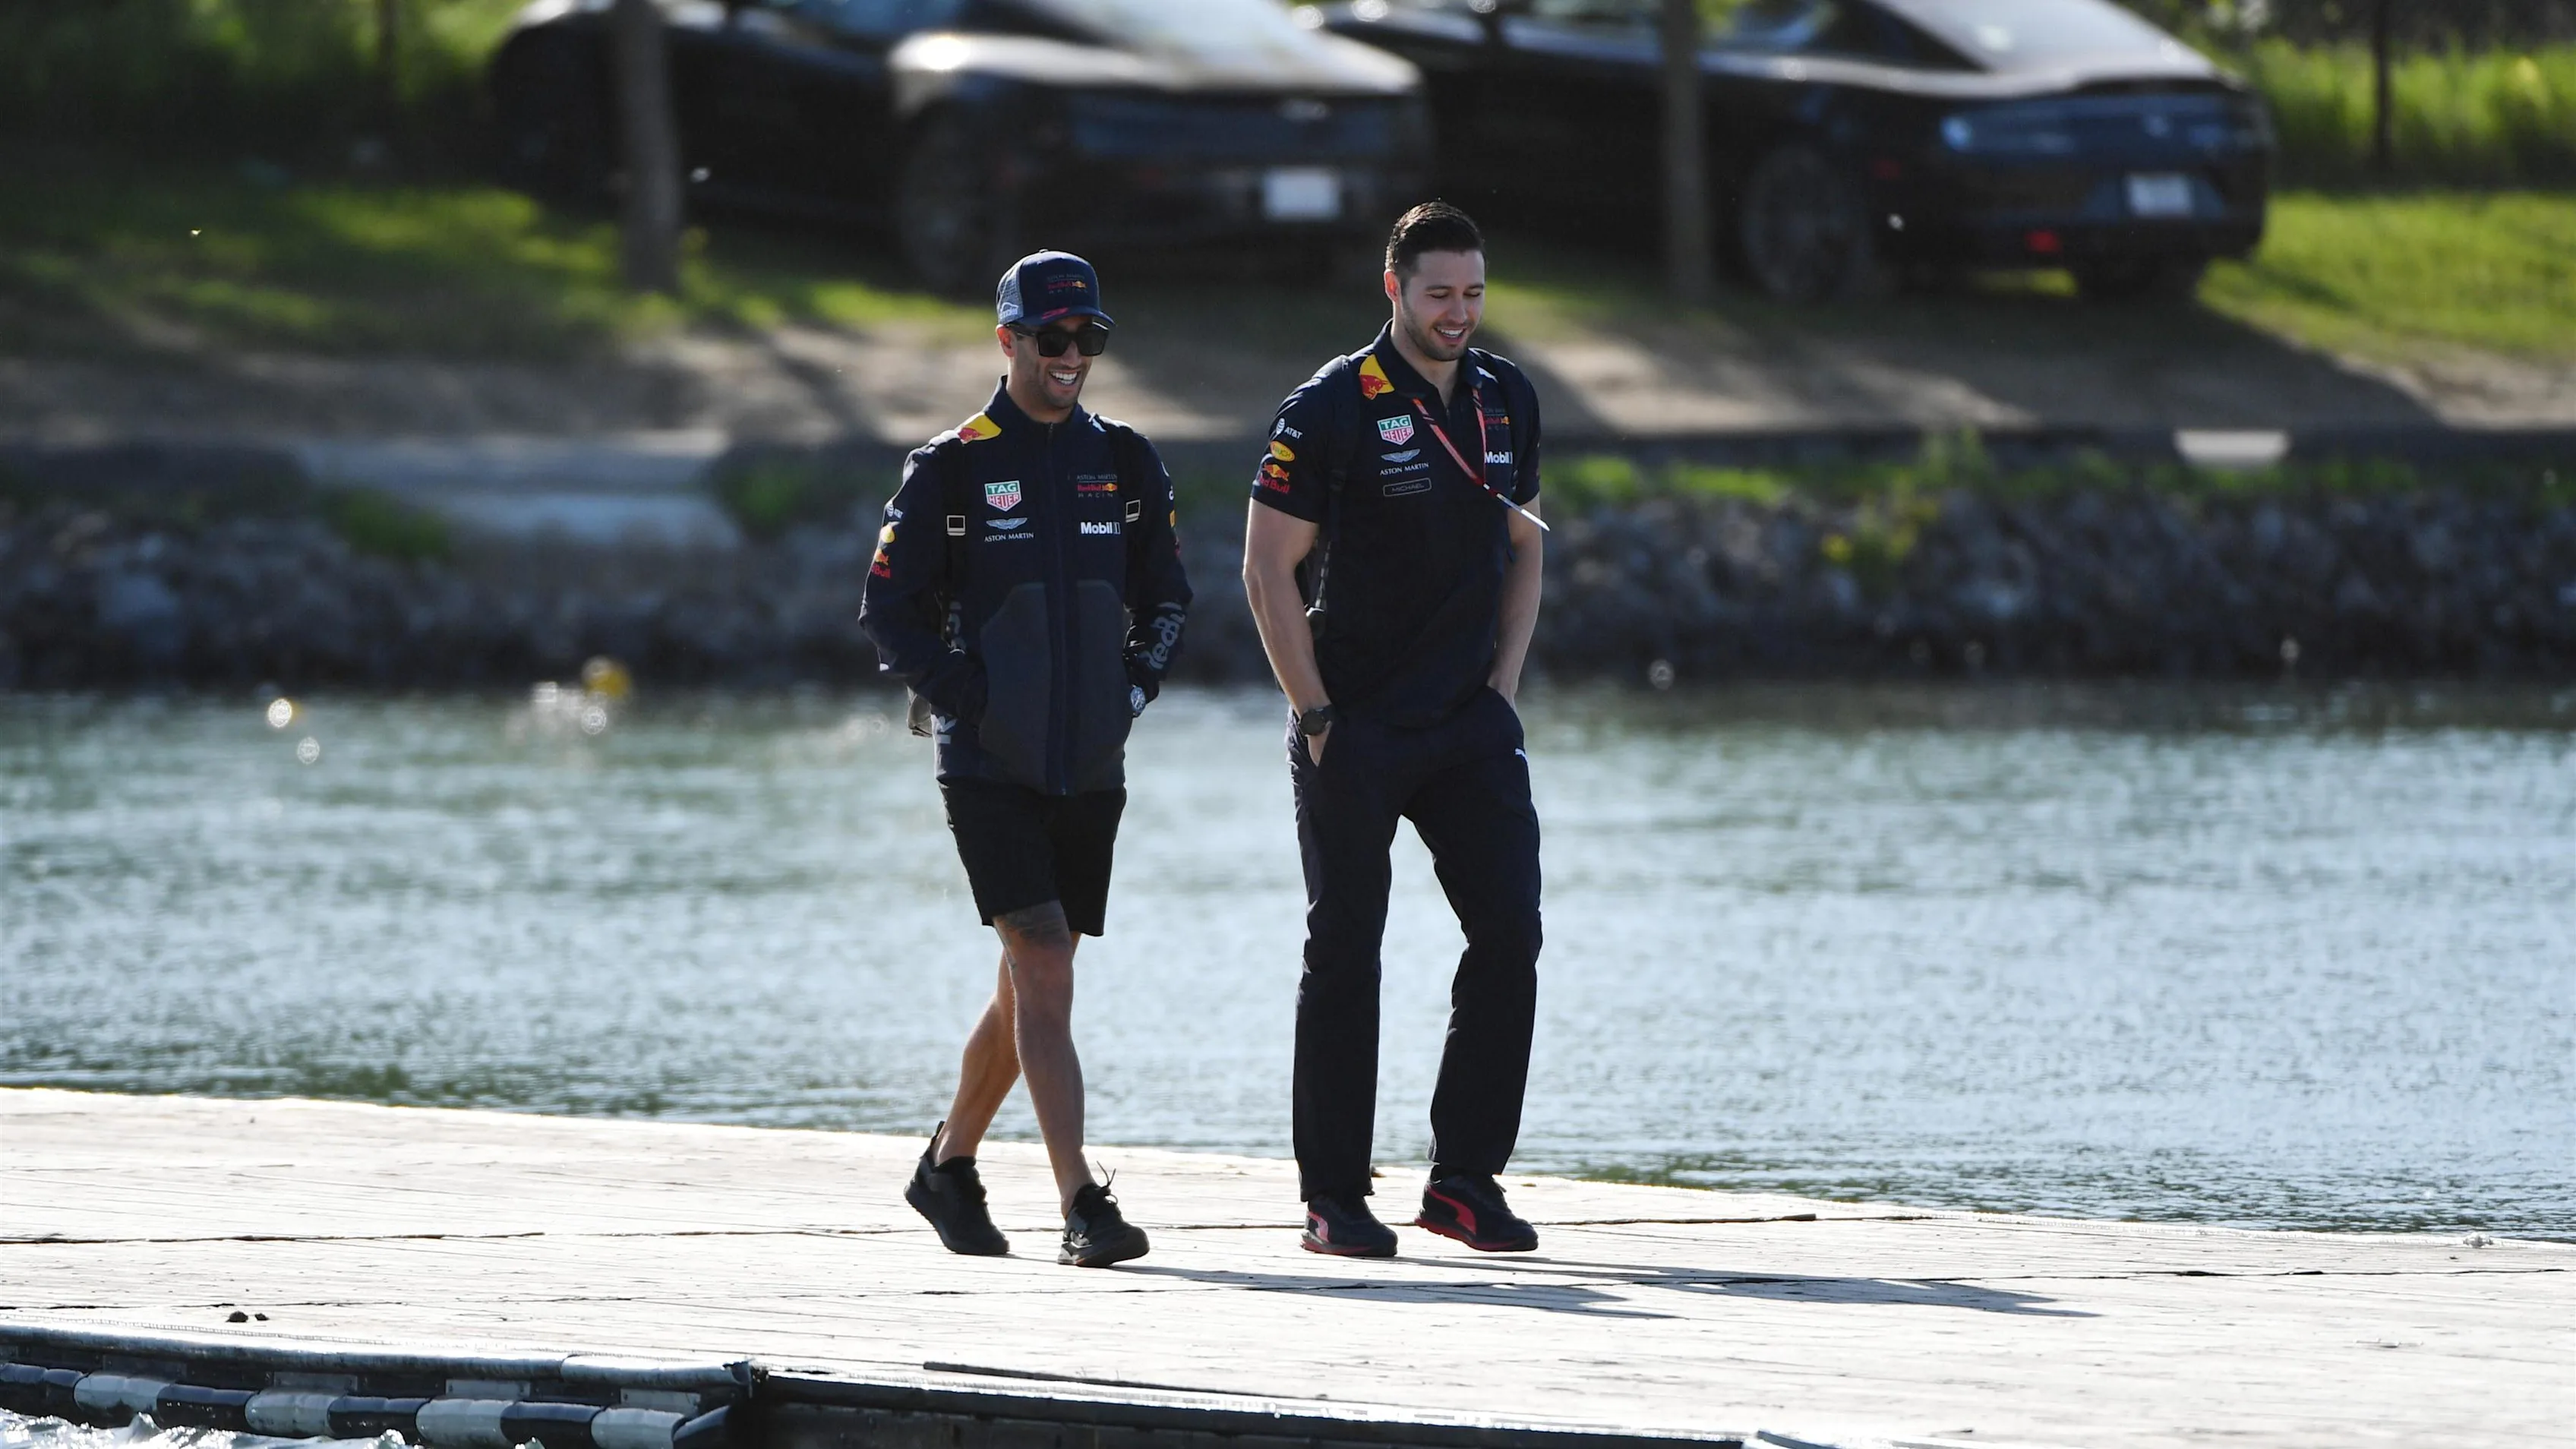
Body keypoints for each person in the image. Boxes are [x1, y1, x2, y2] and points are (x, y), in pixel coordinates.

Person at [860, 250, 1190, 1268]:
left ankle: (946, 1168)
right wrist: (973, 702)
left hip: (1091, 765)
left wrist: (1131, 691)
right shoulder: (950, 466)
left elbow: (1170, 600)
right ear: (1008, 341)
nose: (1073, 355)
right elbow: (887, 611)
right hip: (989, 768)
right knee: (1043, 963)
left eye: (1089, 338)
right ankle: (1082, 1202)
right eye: (1054, 339)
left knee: (1029, 981)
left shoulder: (1126, 460)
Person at [1240, 202, 1547, 1258]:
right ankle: (1333, 1198)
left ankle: (1464, 1182)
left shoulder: (1508, 397)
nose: (1457, 313)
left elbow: (1526, 544)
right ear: (1394, 290)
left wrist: (1503, 686)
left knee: (1510, 934)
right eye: (1437, 294)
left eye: (1472, 293)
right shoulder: (1329, 406)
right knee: (1347, 953)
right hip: (1355, 724)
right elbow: (1266, 569)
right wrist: (1315, 713)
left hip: (1469, 725)